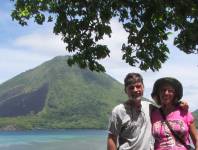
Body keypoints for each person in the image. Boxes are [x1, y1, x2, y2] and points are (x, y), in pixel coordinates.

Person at [107, 73, 154, 150]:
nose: (135, 90)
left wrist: (180, 106)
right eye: (131, 88)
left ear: (143, 88)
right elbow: (112, 138)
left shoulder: (150, 107)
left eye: (138, 86)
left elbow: (167, 110)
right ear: (126, 90)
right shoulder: (119, 111)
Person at [151, 77, 198, 150]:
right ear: (158, 93)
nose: (166, 93)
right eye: (163, 90)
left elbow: (196, 139)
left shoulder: (184, 112)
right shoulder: (153, 113)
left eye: (170, 91)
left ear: (175, 94)